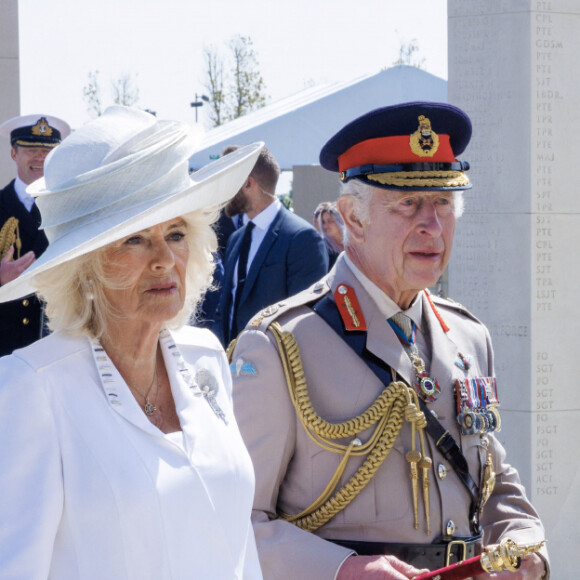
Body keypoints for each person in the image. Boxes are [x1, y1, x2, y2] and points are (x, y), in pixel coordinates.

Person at [229, 102, 549, 579]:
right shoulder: (279, 346)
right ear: (352, 219)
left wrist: (526, 549)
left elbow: (493, 482)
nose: (432, 227)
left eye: (443, 203)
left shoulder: (467, 337)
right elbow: (236, 522)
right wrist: (342, 570)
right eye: (407, 203)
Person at [0, 106, 263, 579]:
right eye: (136, 240)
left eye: (176, 233)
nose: (165, 258)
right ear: (84, 269)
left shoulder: (207, 360)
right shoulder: (32, 388)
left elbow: (239, 549)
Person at [214, 145, 328, 346]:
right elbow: (227, 308)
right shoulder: (236, 239)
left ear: (248, 184)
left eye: (230, 183)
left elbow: (306, 321)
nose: (223, 193)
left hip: (277, 370)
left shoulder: (302, 238)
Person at [0, 114, 70, 356]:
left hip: (56, 346)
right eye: (31, 150)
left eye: (47, 150)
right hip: (5, 347)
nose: (40, 157)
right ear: (13, 153)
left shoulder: (70, 208)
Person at [315, 201, 345, 268]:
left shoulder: (354, 244)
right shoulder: (323, 247)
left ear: (340, 221)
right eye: (323, 222)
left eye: (329, 221)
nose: (325, 226)